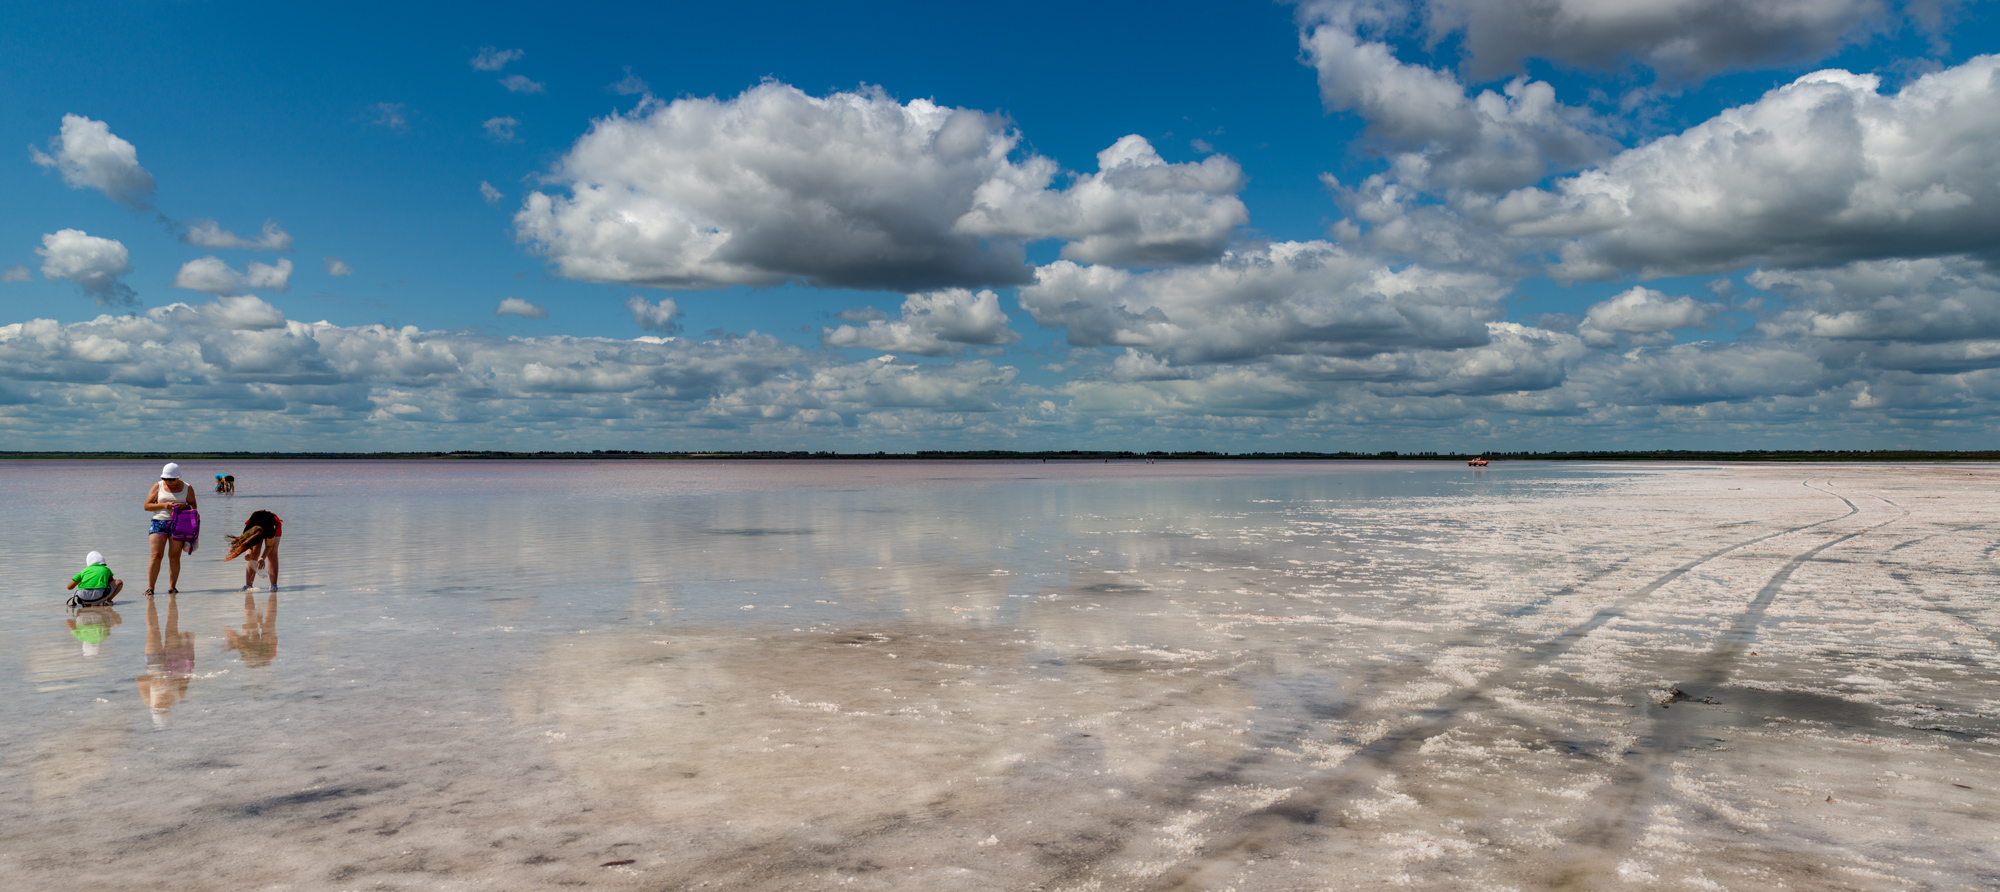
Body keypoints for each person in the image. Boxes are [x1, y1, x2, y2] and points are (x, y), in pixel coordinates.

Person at [136, 591, 194, 729]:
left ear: (153, 709)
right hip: (174, 660)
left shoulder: (148, 701)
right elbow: (187, 676)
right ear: (169, 710)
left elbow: (140, 680)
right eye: (163, 708)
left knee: (152, 630)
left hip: (153, 664)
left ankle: (151, 602)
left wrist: (153, 680)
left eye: (158, 708)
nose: (161, 705)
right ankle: (169, 600)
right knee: (172, 627)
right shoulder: (179, 696)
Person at [143, 462, 198, 595]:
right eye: (165, 479)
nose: (168, 481)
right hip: (159, 522)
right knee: (156, 555)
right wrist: (164, 505)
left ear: (178, 477)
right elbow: (147, 506)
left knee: (174, 556)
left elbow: (194, 506)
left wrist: (183, 506)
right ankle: (150, 588)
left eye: (171, 479)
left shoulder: (187, 487)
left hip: (179, 524)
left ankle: (172, 587)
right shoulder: (158, 486)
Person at [225, 509, 282, 591]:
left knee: (272, 553)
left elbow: (269, 546)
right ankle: (248, 585)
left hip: (272, 522)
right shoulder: (248, 530)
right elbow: (247, 546)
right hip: (255, 522)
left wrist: (263, 558)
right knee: (254, 554)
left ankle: (273, 585)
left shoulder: (270, 530)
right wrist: (248, 554)